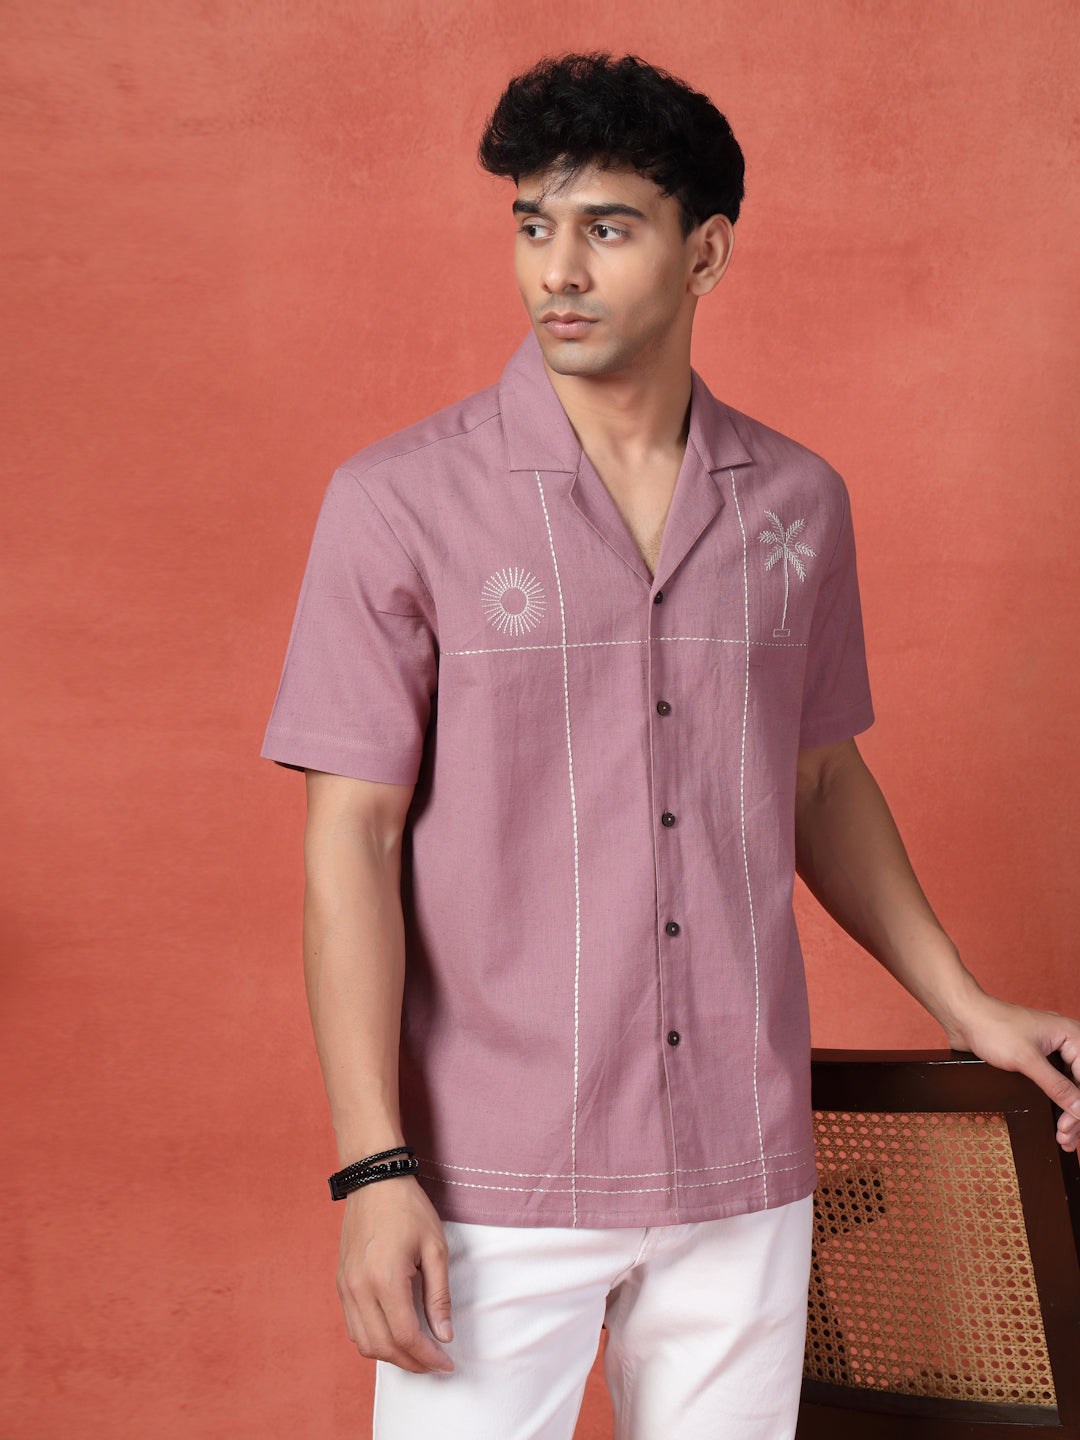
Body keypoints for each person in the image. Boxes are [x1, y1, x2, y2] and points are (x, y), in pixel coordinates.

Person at [262, 52, 1080, 1440]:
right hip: (491, 1177)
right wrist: (372, 1167)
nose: (558, 270)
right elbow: (353, 836)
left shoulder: (799, 505)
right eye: (533, 224)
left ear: (707, 252)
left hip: (741, 1170)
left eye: (609, 227)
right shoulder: (399, 504)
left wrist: (964, 1004)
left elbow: (818, 775)